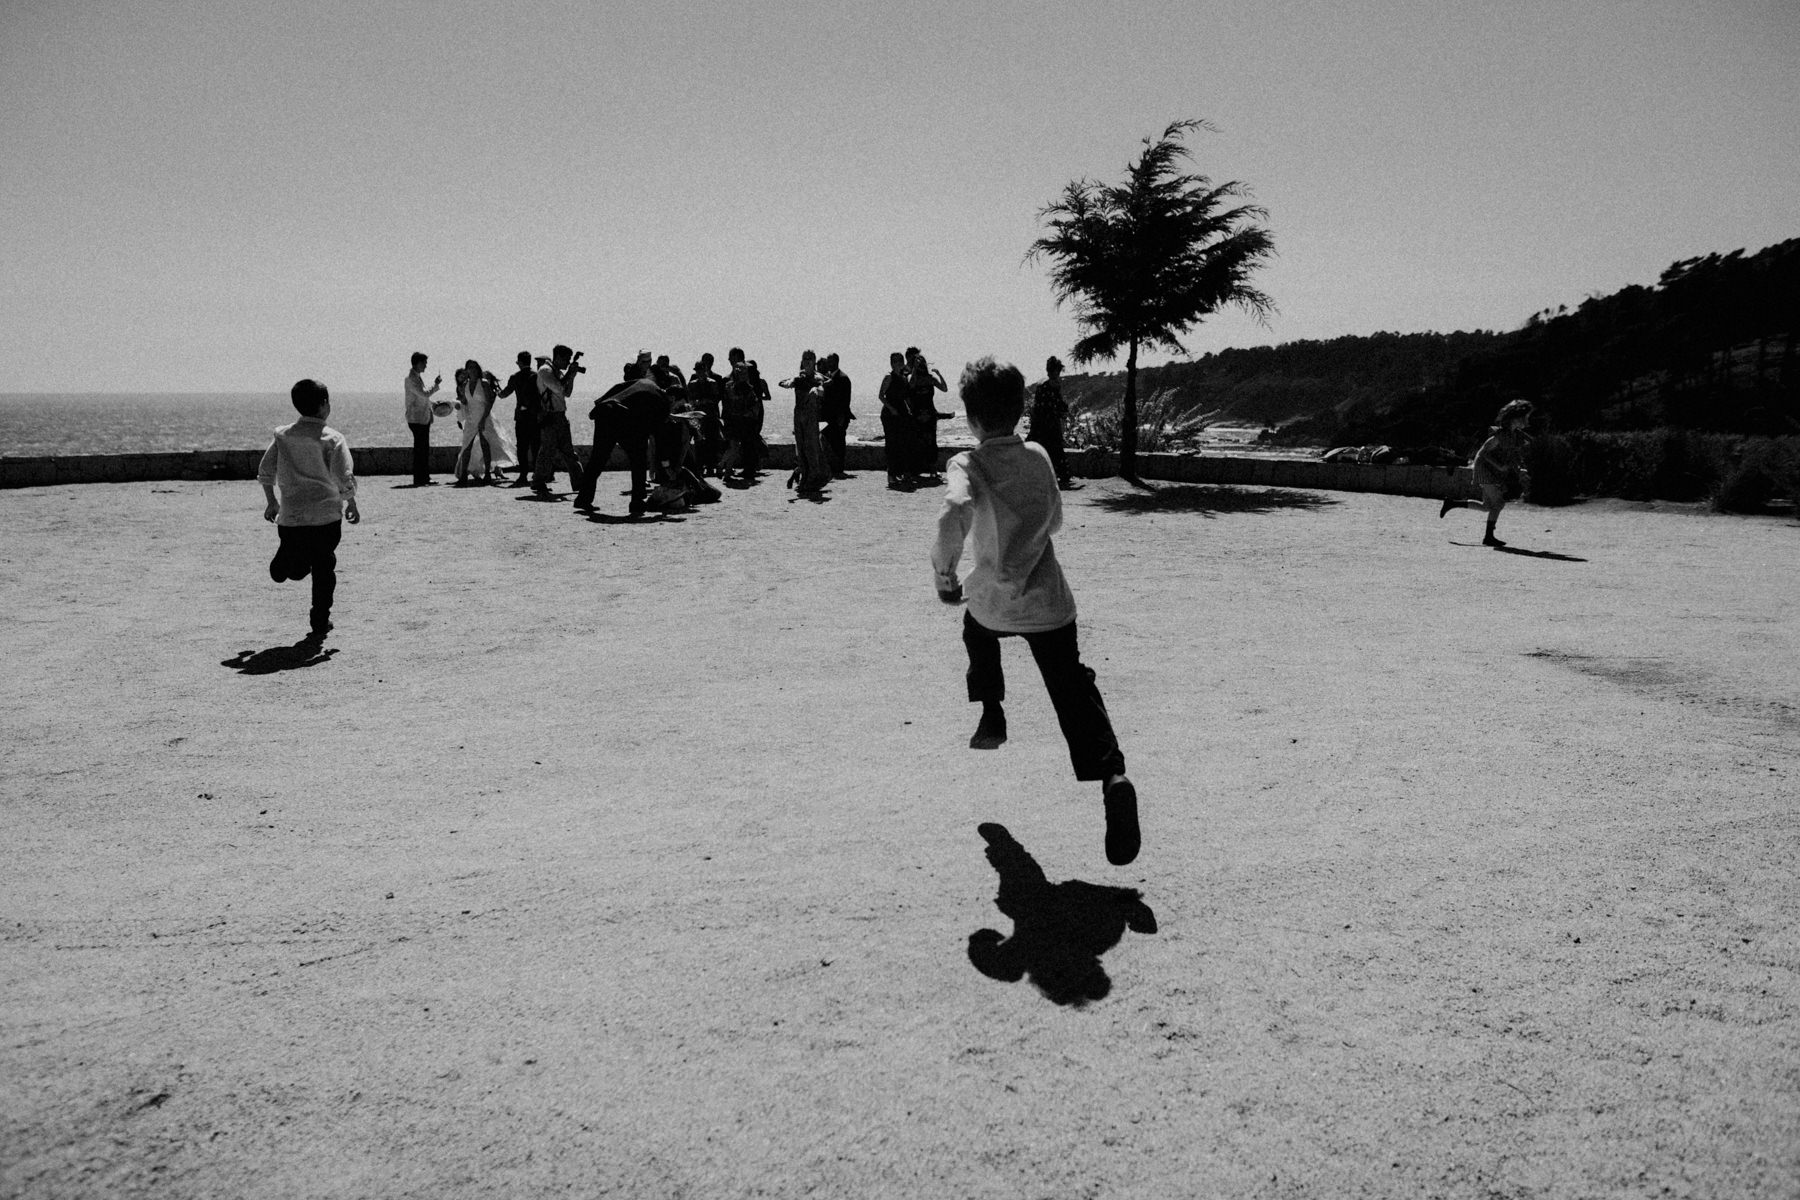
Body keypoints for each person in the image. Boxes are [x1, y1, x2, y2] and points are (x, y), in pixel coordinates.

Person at [931, 357, 1139, 867]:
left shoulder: (967, 463)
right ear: (1021, 409)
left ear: (970, 418)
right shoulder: (1040, 455)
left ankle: (992, 711)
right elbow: (1056, 521)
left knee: (976, 633)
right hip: (1049, 602)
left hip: (993, 603)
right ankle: (1113, 776)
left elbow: (954, 510)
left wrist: (945, 575)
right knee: (1073, 689)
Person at [258, 378, 360, 643]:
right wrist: (351, 502)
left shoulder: (283, 436)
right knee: (324, 567)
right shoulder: (333, 439)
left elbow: (265, 470)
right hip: (325, 518)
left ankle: (287, 563)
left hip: (290, 518)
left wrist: (271, 501)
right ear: (324, 404)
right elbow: (343, 476)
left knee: (299, 561)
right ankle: (320, 620)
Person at [574, 361, 669, 515]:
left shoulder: (636, 383)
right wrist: (665, 463)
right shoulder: (661, 396)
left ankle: (583, 499)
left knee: (597, 459)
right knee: (638, 459)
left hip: (604, 412)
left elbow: (607, 397)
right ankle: (637, 502)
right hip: (622, 417)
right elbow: (659, 435)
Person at [1440, 398, 1533, 546]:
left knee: (1487, 506)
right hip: (1485, 470)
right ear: (1516, 418)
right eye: (1525, 417)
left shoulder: (1514, 435)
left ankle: (1451, 503)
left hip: (1492, 471)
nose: (1527, 420)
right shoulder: (1500, 435)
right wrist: (1500, 466)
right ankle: (1488, 537)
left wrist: (1519, 469)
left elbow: (1512, 456)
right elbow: (1483, 453)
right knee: (1498, 503)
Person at [533, 344, 586, 496]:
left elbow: (567, 392)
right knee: (547, 451)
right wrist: (570, 373)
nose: (568, 362)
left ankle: (579, 483)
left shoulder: (556, 372)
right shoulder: (545, 371)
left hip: (560, 415)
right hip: (550, 416)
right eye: (567, 359)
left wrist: (572, 376)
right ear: (558, 357)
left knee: (568, 452)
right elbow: (558, 388)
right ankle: (538, 481)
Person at [452, 359, 515, 483]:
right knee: (466, 446)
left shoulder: (484, 383)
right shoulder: (465, 385)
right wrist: (456, 403)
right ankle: (463, 474)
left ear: (478, 369)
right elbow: (465, 401)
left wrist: (483, 418)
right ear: (467, 370)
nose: (472, 370)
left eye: (474, 367)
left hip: (484, 417)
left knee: (485, 445)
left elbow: (490, 401)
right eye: (469, 368)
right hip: (471, 418)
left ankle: (487, 473)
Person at [779, 350, 832, 496]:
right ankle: (805, 477)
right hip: (799, 415)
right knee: (801, 448)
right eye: (805, 358)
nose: (807, 361)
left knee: (811, 448)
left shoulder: (817, 377)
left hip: (811, 416)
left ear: (814, 361)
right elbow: (786, 382)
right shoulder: (798, 377)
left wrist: (816, 389)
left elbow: (822, 388)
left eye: (810, 359)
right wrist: (789, 383)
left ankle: (814, 477)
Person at [1027, 355, 1077, 490]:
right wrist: (1064, 411)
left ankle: (1041, 474)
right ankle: (1062, 475)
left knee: (1041, 448)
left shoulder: (1041, 384)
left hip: (1040, 422)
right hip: (1049, 422)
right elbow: (1057, 403)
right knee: (1055, 448)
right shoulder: (1052, 385)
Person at [720, 348, 765, 483]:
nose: (729, 360)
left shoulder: (750, 374)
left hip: (748, 416)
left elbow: (755, 397)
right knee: (737, 444)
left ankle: (748, 469)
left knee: (748, 442)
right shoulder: (729, 381)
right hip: (737, 417)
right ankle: (733, 469)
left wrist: (751, 413)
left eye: (731, 357)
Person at [907, 347, 951, 485]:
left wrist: (939, 374)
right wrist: (914, 370)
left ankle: (933, 469)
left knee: (931, 442)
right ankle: (916, 470)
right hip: (917, 414)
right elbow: (910, 386)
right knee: (917, 442)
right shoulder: (913, 378)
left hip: (929, 413)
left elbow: (944, 388)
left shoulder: (930, 379)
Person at [498, 351, 541, 486]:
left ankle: (523, 475)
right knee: (536, 446)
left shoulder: (515, 377)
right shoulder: (537, 376)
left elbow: (503, 394)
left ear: (519, 362)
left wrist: (496, 389)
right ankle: (538, 474)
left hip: (521, 417)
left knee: (522, 447)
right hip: (535, 416)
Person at [402, 352, 442, 486]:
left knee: (423, 449)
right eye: (424, 363)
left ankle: (423, 477)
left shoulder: (416, 378)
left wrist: (433, 404)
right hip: (417, 419)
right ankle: (421, 478)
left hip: (421, 418)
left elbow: (421, 398)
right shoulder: (411, 379)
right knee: (421, 450)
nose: (426, 365)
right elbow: (424, 394)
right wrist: (435, 385)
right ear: (417, 363)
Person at [879, 351, 914, 488]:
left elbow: (905, 396)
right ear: (891, 363)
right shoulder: (889, 377)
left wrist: (909, 409)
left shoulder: (904, 377)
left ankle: (902, 472)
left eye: (900, 360)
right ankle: (891, 475)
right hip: (890, 414)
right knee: (891, 444)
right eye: (895, 361)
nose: (898, 363)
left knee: (903, 443)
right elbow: (881, 395)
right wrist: (891, 409)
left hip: (902, 412)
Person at [688, 352, 727, 475]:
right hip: (698, 416)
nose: (700, 372)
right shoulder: (692, 383)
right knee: (699, 441)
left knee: (712, 441)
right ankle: (700, 466)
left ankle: (710, 466)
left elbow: (716, 398)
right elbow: (690, 399)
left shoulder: (713, 382)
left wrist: (704, 401)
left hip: (710, 415)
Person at [819, 353, 854, 478]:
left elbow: (846, 399)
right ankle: (831, 468)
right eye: (828, 361)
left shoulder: (843, 378)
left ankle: (839, 468)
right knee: (828, 442)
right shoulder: (827, 377)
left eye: (831, 361)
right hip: (828, 417)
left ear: (836, 362)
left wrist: (842, 416)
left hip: (839, 417)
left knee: (838, 443)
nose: (828, 364)